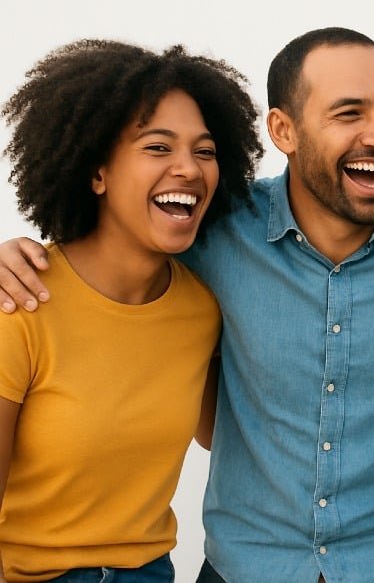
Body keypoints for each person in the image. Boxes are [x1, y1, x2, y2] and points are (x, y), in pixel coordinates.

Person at [0, 28, 374, 582]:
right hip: (244, 567)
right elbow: (114, 241)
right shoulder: (215, 231)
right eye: (349, 113)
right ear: (283, 130)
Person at [0, 40, 261, 581]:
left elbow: (219, 435)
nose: (188, 168)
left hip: (150, 571)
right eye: (158, 147)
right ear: (98, 172)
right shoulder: (19, 302)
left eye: (205, 151)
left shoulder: (202, 308)